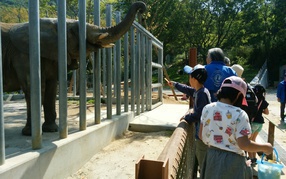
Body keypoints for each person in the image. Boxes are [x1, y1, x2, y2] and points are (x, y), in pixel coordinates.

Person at [199, 76, 273, 179]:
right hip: (232, 162)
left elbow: (201, 135)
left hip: (211, 157)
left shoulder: (207, 108)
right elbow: (244, 144)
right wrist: (265, 147)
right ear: (239, 95)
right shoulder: (239, 114)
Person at [167, 64, 211, 178]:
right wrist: (175, 84)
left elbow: (199, 115)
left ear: (194, 79)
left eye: (190, 76)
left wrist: (187, 118)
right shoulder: (200, 90)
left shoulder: (201, 94)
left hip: (202, 137)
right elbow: (188, 90)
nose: (189, 79)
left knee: (203, 163)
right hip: (202, 133)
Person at [248, 84, 269, 164]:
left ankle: (252, 159)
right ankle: (254, 159)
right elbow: (267, 113)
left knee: (249, 141)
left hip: (253, 122)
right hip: (260, 123)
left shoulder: (253, 99)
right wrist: (260, 111)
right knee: (254, 140)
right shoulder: (263, 101)